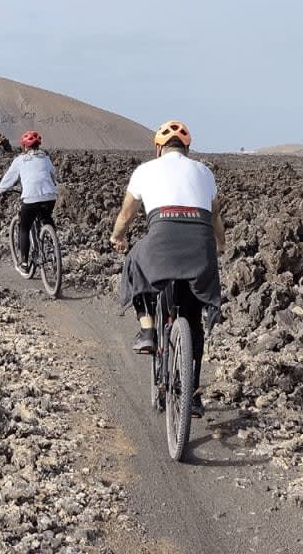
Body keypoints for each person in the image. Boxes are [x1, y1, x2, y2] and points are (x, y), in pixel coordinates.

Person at [110, 120, 225, 417]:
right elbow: (214, 220)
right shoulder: (204, 171)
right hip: (199, 248)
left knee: (136, 261)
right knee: (193, 321)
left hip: (162, 241)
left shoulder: (145, 170)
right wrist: (221, 246)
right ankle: (194, 393)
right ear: (187, 149)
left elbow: (126, 215)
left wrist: (118, 237)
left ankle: (147, 330)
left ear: (159, 148)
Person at [0, 130, 58, 273]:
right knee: (46, 218)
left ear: (24, 146)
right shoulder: (46, 158)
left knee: (24, 226)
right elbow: (53, 176)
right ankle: (53, 246)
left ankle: (24, 263)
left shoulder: (20, 160)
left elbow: (8, 179)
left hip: (30, 198)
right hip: (50, 196)